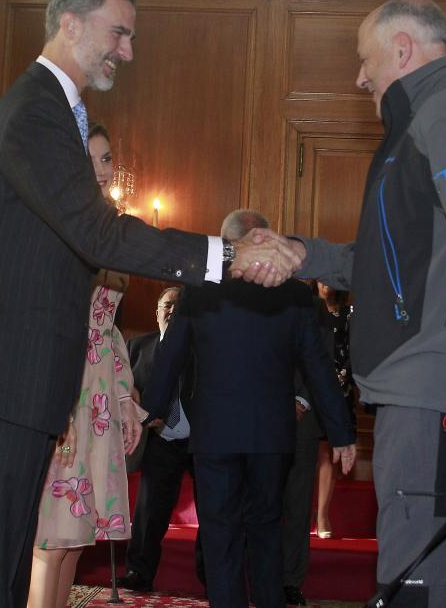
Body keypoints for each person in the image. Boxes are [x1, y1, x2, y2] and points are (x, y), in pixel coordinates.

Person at [0, 0, 301, 608]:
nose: (127, 50)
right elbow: (100, 235)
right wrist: (227, 254)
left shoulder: (58, 112)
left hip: (14, 382)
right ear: (71, 23)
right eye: (118, 32)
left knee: (5, 578)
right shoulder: (35, 112)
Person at [250, 0, 446, 606]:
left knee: (422, 593)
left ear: (404, 49)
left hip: (436, 398)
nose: (359, 76)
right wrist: (303, 254)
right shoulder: (417, 128)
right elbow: (388, 262)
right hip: (413, 400)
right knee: (407, 587)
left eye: (365, 60)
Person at [143, 209, 356, 608]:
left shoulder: (201, 287)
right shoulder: (296, 293)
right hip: (272, 434)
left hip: (215, 434)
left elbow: (171, 352)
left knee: (220, 534)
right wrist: (342, 432)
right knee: (266, 531)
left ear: (229, 244)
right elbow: (317, 366)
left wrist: (150, 409)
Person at [27, 123, 145, 608]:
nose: (104, 169)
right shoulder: (55, 227)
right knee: (51, 540)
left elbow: (108, 330)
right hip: (65, 391)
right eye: (93, 159)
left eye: (107, 158)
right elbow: (44, 325)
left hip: (97, 395)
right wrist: (57, 407)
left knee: (77, 540)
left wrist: (124, 399)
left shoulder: (110, 230)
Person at [119, 286, 201, 592]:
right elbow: (123, 392)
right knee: (149, 510)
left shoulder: (204, 349)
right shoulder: (136, 347)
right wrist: (141, 409)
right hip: (160, 440)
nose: (171, 312)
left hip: (201, 441)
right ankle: (139, 572)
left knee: (213, 510)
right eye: (166, 306)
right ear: (157, 312)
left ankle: (212, 576)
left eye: (178, 307)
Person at [282, 295, 338, 607]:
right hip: (257, 416)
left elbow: (321, 356)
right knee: (259, 504)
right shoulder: (251, 293)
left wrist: (300, 399)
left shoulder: (311, 305)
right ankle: (258, 575)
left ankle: (290, 581)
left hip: (300, 418)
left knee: (296, 504)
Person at [314, 280, 354, 539]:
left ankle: (322, 515)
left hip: (340, 392)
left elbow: (356, 352)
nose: (325, 282)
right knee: (305, 453)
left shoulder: (350, 313)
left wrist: (341, 379)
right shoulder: (306, 310)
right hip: (307, 389)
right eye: (320, 276)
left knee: (328, 454)